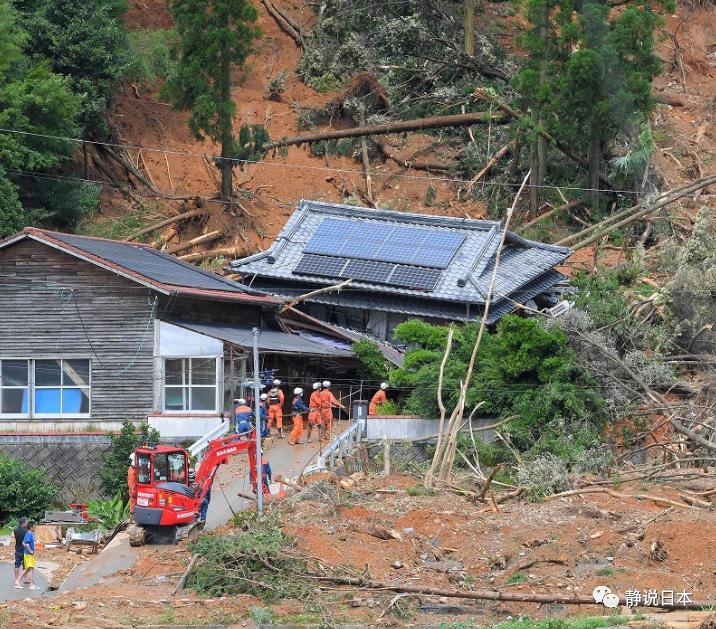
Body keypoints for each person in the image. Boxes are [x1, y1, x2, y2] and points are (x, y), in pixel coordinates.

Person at [14, 521, 37, 590]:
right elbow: (26, 544)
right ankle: (30, 584)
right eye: (35, 527)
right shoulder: (29, 534)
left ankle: (18, 581)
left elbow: (23, 542)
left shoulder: (28, 533)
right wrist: (30, 551)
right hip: (29, 554)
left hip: (28, 554)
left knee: (28, 569)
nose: (35, 528)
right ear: (32, 527)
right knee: (30, 569)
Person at [13, 517, 29, 585]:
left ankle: (16, 579)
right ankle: (25, 579)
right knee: (25, 565)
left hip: (17, 549)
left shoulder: (15, 530)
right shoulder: (26, 531)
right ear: (23, 523)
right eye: (26, 522)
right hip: (24, 550)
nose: (27, 523)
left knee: (17, 565)